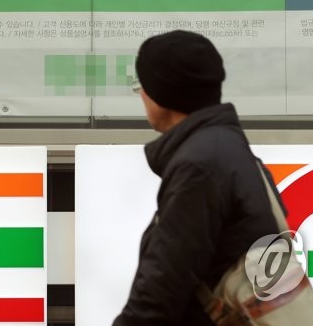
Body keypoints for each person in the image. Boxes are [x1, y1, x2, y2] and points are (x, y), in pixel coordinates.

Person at [113, 29, 285, 325]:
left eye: (142, 85)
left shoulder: (199, 165)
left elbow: (161, 290)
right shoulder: (224, 147)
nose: (140, 94)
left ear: (161, 95)